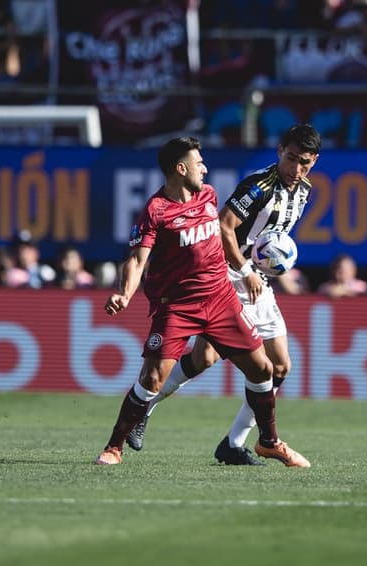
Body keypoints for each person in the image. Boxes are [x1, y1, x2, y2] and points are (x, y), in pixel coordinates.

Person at [95, 136, 310, 468]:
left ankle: (268, 441)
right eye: (199, 163)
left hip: (221, 297)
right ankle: (114, 447)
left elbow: (222, 235)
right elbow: (137, 261)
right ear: (181, 169)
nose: (205, 168)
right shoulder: (157, 210)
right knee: (152, 378)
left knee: (264, 368)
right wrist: (124, 293)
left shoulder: (207, 196)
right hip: (178, 304)